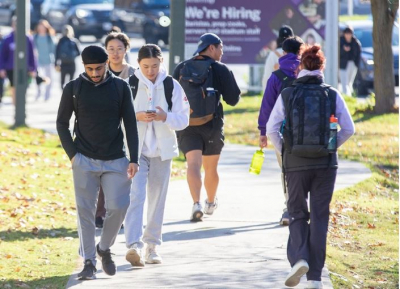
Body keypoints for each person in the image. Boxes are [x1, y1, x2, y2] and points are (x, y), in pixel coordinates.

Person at [266, 45, 355, 288]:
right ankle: (315, 277)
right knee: (319, 217)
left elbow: (271, 129)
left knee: (296, 212)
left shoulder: (288, 93)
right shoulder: (332, 94)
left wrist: (285, 150)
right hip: (325, 164)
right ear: (321, 67)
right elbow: (349, 128)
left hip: (294, 164)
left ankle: (299, 258)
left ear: (301, 67)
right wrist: (330, 146)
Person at [56, 45, 139, 280]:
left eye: (99, 68)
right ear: (84, 66)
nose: (94, 73)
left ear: (106, 65)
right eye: (90, 69)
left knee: (119, 207)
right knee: (85, 212)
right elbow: (62, 123)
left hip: (116, 160)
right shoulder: (73, 88)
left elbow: (130, 124)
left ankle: (104, 248)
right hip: (84, 159)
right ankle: (90, 262)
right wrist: (73, 155)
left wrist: (133, 158)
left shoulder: (120, 87)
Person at [124, 44, 189, 266]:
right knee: (136, 196)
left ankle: (151, 246)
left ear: (161, 62)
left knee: (157, 200)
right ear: (138, 64)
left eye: (154, 65)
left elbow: (184, 120)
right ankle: (134, 245)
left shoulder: (172, 85)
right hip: (136, 151)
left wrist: (165, 117)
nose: (150, 70)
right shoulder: (129, 84)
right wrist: (137, 116)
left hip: (162, 152)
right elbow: (117, 119)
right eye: (145, 66)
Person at [173, 33, 241, 222]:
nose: (222, 52)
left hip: (187, 124)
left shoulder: (182, 67)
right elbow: (233, 100)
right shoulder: (220, 69)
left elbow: (171, 95)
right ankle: (210, 202)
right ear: (211, 47)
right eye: (221, 48)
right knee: (210, 168)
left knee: (193, 164)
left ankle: (196, 203)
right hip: (212, 124)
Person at [258, 36, 304, 226]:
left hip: (283, 133)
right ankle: (304, 204)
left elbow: (267, 105)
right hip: (308, 132)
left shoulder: (276, 77)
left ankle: (289, 208)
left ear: (283, 53)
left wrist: (263, 131)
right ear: (301, 52)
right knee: (306, 169)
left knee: (286, 170)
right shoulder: (307, 72)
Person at [95, 31, 136, 229]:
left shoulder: (135, 75)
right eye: (111, 49)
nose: (115, 53)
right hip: (105, 131)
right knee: (102, 173)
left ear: (126, 50)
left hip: (128, 132)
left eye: (119, 49)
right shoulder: (99, 74)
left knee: (121, 175)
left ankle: (119, 215)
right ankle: (100, 212)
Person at [0, 16, 37, 106]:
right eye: (15, 24)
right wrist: (2, 68)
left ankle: (21, 105)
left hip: (25, 68)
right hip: (11, 67)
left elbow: (32, 54)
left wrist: (34, 69)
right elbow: (2, 55)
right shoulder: (7, 39)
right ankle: (16, 107)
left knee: (23, 87)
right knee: (14, 87)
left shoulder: (27, 38)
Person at [33, 19, 56, 101]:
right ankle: (39, 92)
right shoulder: (35, 37)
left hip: (48, 60)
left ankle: (47, 94)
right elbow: (33, 48)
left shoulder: (49, 37)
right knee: (38, 77)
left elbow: (54, 49)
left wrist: (56, 61)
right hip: (38, 60)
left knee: (49, 78)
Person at [55, 25, 80, 89]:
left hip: (68, 63)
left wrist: (56, 63)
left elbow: (57, 53)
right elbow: (78, 53)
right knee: (67, 81)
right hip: (67, 63)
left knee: (67, 81)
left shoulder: (71, 41)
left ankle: (67, 94)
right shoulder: (70, 41)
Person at [339, 27, 361, 96]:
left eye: (349, 33)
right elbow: (337, 54)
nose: (348, 35)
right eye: (346, 33)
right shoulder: (340, 42)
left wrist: (356, 64)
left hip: (352, 64)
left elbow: (358, 55)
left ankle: (350, 96)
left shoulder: (355, 42)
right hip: (343, 65)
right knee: (344, 82)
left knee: (349, 82)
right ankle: (346, 96)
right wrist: (344, 50)